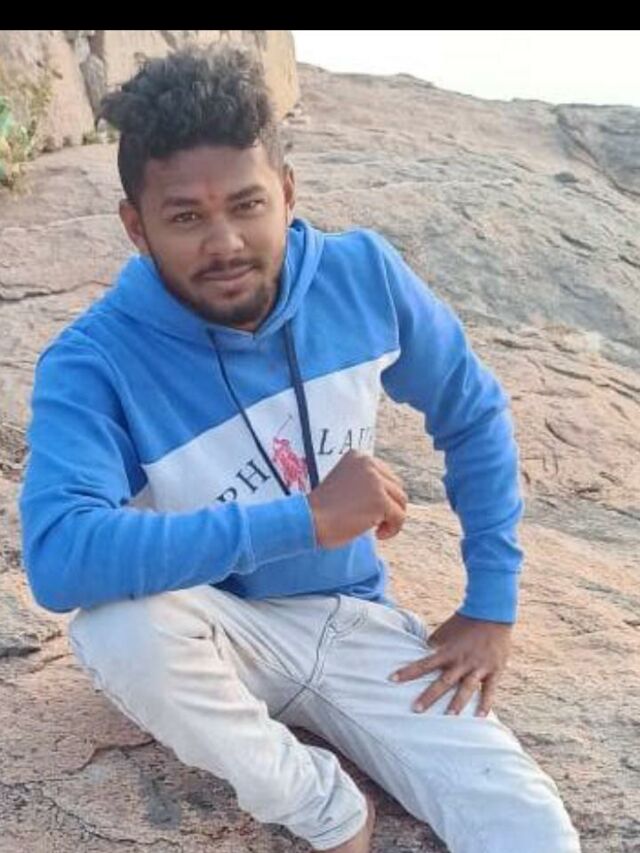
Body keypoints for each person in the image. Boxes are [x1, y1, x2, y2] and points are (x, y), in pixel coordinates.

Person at [19, 44, 581, 852]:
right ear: (136, 226)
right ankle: (328, 810)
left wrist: (492, 601)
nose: (225, 242)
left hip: (355, 624)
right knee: (117, 629)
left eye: (247, 204)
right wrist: (306, 519)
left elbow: (472, 409)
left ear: (286, 192)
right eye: (186, 217)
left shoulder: (361, 277)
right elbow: (60, 555)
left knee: (530, 827)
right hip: (211, 629)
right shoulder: (94, 360)